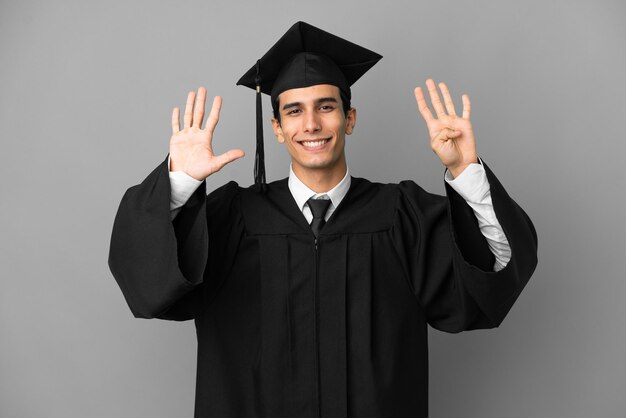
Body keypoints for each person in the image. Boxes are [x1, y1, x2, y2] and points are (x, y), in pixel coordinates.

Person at [108, 21, 537, 418]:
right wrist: (179, 181)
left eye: (326, 106)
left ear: (349, 119)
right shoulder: (233, 218)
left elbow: (492, 282)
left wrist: (465, 170)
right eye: (294, 111)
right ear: (276, 127)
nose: (311, 124)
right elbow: (146, 283)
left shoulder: (402, 216)